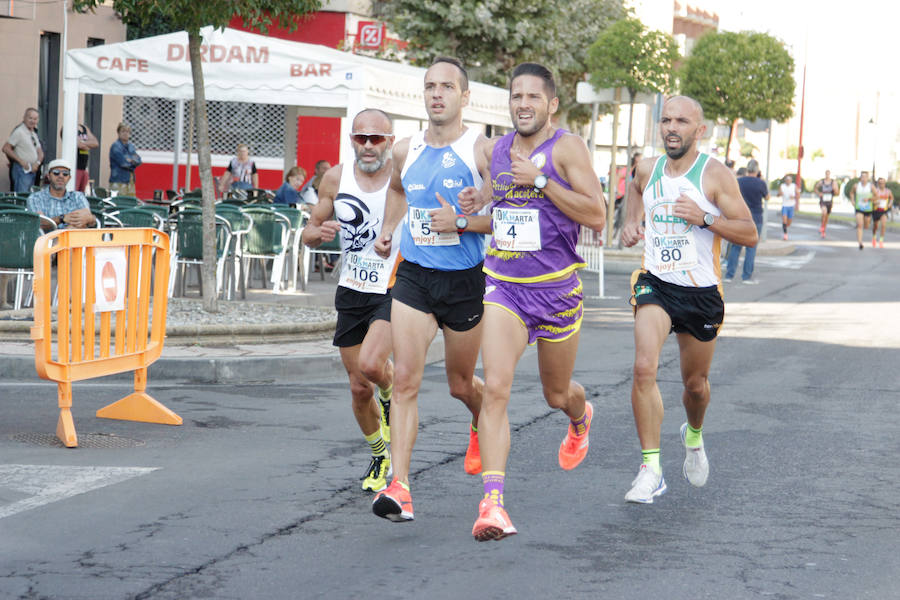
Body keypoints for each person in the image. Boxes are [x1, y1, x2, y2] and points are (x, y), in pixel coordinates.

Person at [470, 63, 606, 541]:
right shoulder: (498, 148)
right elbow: (499, 207)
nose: (522, 103)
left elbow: (597, 214)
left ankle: (579, 416)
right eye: (516, 96)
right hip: (504, 284)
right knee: (497, 390)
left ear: (551, 105)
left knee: (556, 394)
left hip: (556, 291)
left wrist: (543, 182)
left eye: (533, 97)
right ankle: (493, 505)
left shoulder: (567, 147)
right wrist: (473, 209)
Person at [370, 56, 492, 523]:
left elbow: (505, 216)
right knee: (404, 380)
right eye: (429, 86)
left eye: (446, 87)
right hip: (416, 276)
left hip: (465, 282)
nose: (436, 94)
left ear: (465, 97)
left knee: (461, 383)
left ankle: (481, 422)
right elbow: (398, 191)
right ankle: (400, 486)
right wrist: (388, 229)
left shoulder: (481, 150)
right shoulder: (405, 149)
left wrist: (465, 218)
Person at [620, 95, 758, 504]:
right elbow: (634, 187)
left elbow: (749, 233)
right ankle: (651, 469)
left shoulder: (715, 176)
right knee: (644, 367)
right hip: (656, 283)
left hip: (700, 291)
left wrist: (706, 218)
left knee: (695, 385)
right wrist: (631, 221)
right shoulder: (648, 168)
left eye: (681, 121)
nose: (671, 127)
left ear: (700, 131)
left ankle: (693, 435)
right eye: (665, 120)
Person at [301, 109, 400, 492]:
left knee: (374, 366)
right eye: (362, 138)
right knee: (359, 386)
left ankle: (389, 393)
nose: (369, 145)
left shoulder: (401, 176)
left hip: (394, 285)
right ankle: (379, 455)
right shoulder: (335, 178)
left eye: (377, 138)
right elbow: (309, 232)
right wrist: (318, 232)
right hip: (353, 286)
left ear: (390, 141)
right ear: (352, 141)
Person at [724, 159, 768, 284]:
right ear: (757, 170)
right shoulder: (761, 183)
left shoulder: (739, 181)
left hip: (740, 216)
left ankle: (729, 275)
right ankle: (746, 276)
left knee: (735, 247)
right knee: (751, 247)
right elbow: (767, 197)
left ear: (747, 169)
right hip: (756, 217)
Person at [26, 158, 96, 230]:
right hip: (47, 239)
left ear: (69, 178)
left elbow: (89, 217)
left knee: (77, 227)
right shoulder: (35, 198)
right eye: (56, 172)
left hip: (74, 238)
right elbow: (39, 223)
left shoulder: (77, 196)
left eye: (65, 173)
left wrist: (89, 218)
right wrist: (62, 219)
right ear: (48, 176)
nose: (61, 176)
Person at [3, 108, 44, 193]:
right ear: (24, 118)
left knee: (29, 198)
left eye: (35, 119)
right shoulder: (19, 131)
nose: (32, 121)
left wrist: (37, 163)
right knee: (21, 196)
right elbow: (6, 148)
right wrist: (21, 161)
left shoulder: (33, 133)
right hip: (22, 170)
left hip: (33, 170)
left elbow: (40, 152)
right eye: (30, 118)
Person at [62, 124, 99, 193]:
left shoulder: (84, 128)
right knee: (73, 192)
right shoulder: (68, 125)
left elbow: (95, 143)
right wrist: (87, 144)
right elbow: (79, 145)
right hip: (74, 168)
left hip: (84, 168)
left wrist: (83, 143)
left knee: (82, 194)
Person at [108, 122, 142, 196]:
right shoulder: (115, 146)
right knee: (118, 204)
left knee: (130, 204)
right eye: (123, 131)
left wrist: (129, 159)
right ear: (118, 132)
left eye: (127, 131)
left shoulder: (131, 146)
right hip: (118, 181)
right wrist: (132, 161)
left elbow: (139, 161)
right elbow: (123, 163)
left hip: (130, 181)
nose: (125, 133)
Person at [849, 171, 874, 250]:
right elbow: (851, 193)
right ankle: (860, 243)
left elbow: (877, 196)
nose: (863, 178)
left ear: (868, 178)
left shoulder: (871, 186)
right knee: (860, 225)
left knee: (866, 225)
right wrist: (852, 200)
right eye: (862, 177)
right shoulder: (856, 186)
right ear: (860, 178)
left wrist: (869, 199)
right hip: (859, 208)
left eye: (865, 177)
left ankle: (867, 223)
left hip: (868, 209)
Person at [814, 169, 837, 238]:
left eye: (828, 174)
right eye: (826, 174)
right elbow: (815, 188)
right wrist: (819, 193)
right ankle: (822, 227)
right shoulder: (822, 181)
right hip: (823, 200)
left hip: (829, 201)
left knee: (826, 216)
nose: (827, 175)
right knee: (824, 212)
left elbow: (836, 192)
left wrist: (835, 189)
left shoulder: (833, 182)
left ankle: (823, 229)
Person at [872, 177, 893, 248]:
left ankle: (881, 241)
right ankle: (874, 237)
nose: (881, 184)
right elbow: (871, 199)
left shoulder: (888, 191)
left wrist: (890, 203)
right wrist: (875, 202)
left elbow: (891, 198)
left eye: (883, 183)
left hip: (884, 211)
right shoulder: (875, 191)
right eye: (880, 183)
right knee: (876, 226)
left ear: (885, 183)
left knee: (883, 225)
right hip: (876, 210)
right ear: (878, 183)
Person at [777, 174, 798, 240]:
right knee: (784, 220)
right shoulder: (782, 186)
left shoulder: (794, 186)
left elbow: (798, 195)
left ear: (791, 181)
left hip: (791, 206)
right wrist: (780, 194)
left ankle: (785, 226)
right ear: (785, 181)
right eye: (787, 180)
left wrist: (794, 197)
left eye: (789, 180)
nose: (788, 181)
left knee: (789, 222)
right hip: (784, 206)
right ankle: (785, 234)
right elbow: (778, 195)